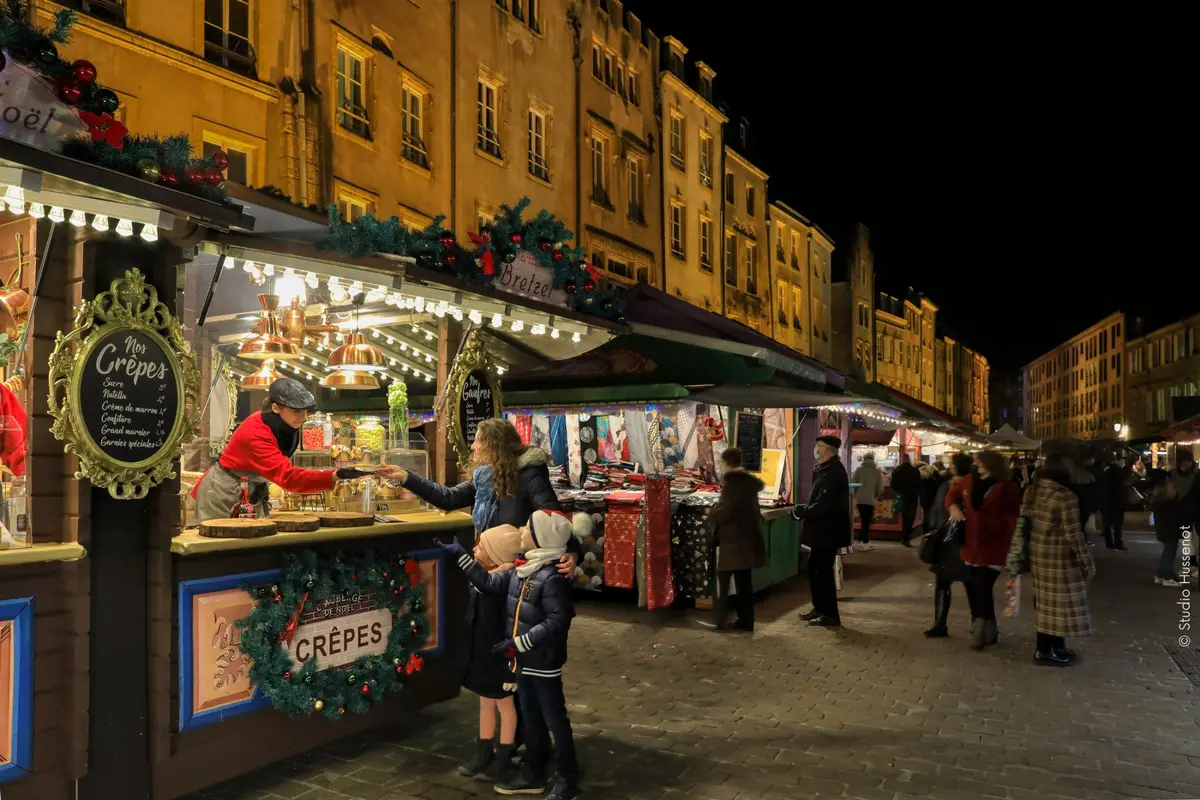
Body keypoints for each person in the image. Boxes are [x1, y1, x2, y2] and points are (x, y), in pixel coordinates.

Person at [437, 510, 582, 800]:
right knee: (532, 718)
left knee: (554, 719)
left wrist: (522, 641)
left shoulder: (550, 577)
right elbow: (489, 584)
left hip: (543, 662)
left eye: (528, 528)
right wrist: (463, 557)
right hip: (522, 660)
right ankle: (533, 771)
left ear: (542, 539)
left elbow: (558, 619)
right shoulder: (522, 569)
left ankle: (568, 777)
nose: (522, 531)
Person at [191, 378, 399, 520]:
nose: (303, 417)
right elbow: (288, 478)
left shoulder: (284, 422)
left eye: (305, 411)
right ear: (275, 408)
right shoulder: (257, 432)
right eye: (296, 411)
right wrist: (335, 476)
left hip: (248, 489)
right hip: (223, 492)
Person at [394, 418, 579, 576]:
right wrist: (405, 477)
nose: (473, 446)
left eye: (478, 441)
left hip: (519, 573)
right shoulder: (485, 479)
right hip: (490, 570)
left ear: (494, 446)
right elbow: (448, 498)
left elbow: (553, 519)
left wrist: (572, 552)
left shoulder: (529, 475)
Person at [1008, 444, 1096, 667]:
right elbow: (1074, 534)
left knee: (1047, 605)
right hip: (1060, 558)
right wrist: (1087, 563)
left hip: (1039, 555)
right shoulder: (1065, 495)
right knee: (1059, 605)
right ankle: (1045, 650)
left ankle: (1054, 647)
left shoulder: (1034, 490)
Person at [456, 524, 524, 781]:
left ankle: (504, 756)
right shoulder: (488, 578)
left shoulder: (501, 584)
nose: (475, 548)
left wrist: (510, 666)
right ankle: (483, 751)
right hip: (483, 653)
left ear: (496, 556)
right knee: (485, 702)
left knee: (505, 706)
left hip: (499, 656)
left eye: (481, 546)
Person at [946, 450, 1020, 650]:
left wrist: (1014, 545)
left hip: (994, 545)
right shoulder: (969, 480)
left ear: (990, 464)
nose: (977, 464)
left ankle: (979, 628)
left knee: (982, 585)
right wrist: (953, 507)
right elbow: (951, 496)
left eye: (980, 461)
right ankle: (989, 626)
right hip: (970, 544)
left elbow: (1013, 517)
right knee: (974, 586)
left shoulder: (1007, 488)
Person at [705, 447, 767, 632]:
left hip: (733, 540)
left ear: (725, 463)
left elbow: (727, 512)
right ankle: (746, 621)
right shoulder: (748, 482)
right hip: (748, 538)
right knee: (744, 584)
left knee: (723, 581)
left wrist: (711, 513)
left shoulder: (732, 484)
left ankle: (720, 620)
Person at [793, 435, 851, 627]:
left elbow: (825, 504)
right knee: (815, 570)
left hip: (828, 532)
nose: (815, 449)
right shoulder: (824, 470)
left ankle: (830, 615)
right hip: (821, 531)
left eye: (818, 446)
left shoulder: (834, 472)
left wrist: (804, 511)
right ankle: (819, 608)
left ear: (827, 450)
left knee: (823, 573)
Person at [923, 453, 975, 638]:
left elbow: (938, 510)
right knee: (969, 584)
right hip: (961, 540)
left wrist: (934, 528)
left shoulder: (955, 485)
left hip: (949, 540)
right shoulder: (967, 483)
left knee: (944, 583)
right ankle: (977, 626)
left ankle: (940, 624)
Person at [1149, 474, 1186, 587]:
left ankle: (1161, 575)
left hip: (1163, 530)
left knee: (1167, 552)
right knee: (1169, 553)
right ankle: (1166, 577)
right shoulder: (1170, 503)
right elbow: (1176, 517)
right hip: (1170, 530)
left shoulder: (1158, 501)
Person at [852, 453, 884, 551]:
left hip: (860, 499)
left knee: (864, 520)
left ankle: (863, 540)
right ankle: (864, 542)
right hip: (869, 499)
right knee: (867, 521)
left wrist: (855, 496)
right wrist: (875, 496)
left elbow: (853, 484)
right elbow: (880, 488)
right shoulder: (877, 472)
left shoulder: (858, 470)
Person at [890, 455, 921, 547]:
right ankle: (906, 537)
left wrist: (899, 492)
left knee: (904, 516)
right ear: (909, 460)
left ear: (901, 460)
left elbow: (893, 484)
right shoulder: (915, 471)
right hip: (912, 496)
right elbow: (919, 484)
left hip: (902, 496)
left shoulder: (897, 471)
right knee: (910, 517)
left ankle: (904, 536)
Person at [1100, 454, 1129, 550]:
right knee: (1118, 524)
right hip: (1118, 501)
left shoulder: (1105, 472)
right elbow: (1123, 487)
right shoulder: (1120, 472)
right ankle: (1118, 543)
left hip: (1106, 501)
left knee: (1107, 523)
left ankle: (1109, 543)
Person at [1071, 458, 1098, 546]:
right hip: (1085, 502)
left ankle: (1080, 539)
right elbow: (1093, 492)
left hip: (1075, 501)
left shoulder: (1071, 476)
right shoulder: (1089, 476)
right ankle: (1082, 539)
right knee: (1082, 520)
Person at [918, 461, 944, 535]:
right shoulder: (931, 479)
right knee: (929, 515)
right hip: (930, 499)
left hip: (924, 500)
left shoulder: (922, 479)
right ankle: (928, 530)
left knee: (926, 515)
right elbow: (934, 489)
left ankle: (925, 531)